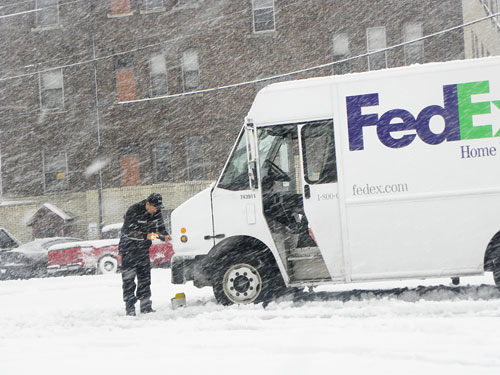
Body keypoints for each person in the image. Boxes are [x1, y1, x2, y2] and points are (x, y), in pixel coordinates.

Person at [118, 193, 171, 316]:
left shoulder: (156, 211)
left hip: (143, 250)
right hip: (128, 249)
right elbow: (128, 232)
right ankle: (130, 308)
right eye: (154, 207)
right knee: (129, 280)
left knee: (145, 279)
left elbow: (160, 228)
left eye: (158, 208)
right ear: (147, 203)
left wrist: (166, 236)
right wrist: (145, 236)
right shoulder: (133, 210)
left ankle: (146, 306)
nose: (156, 210)